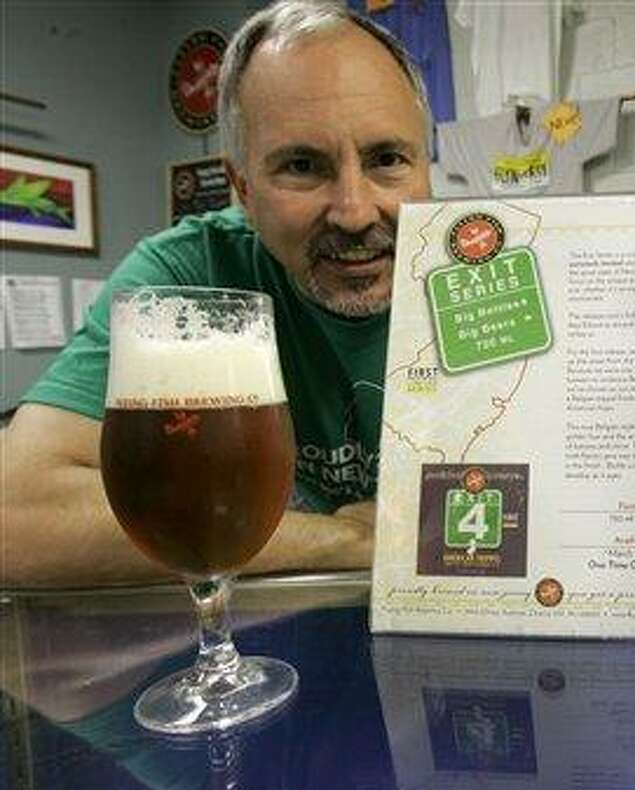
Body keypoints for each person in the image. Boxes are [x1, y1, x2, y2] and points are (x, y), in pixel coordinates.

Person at [1, 0, 433, 587]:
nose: (354, 212)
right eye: (302, 165)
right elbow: (15, 518)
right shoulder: (185, 274)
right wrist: (346, 539)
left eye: (387, 159)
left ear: (427, 168)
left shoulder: (501, 268)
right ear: (243, 189)